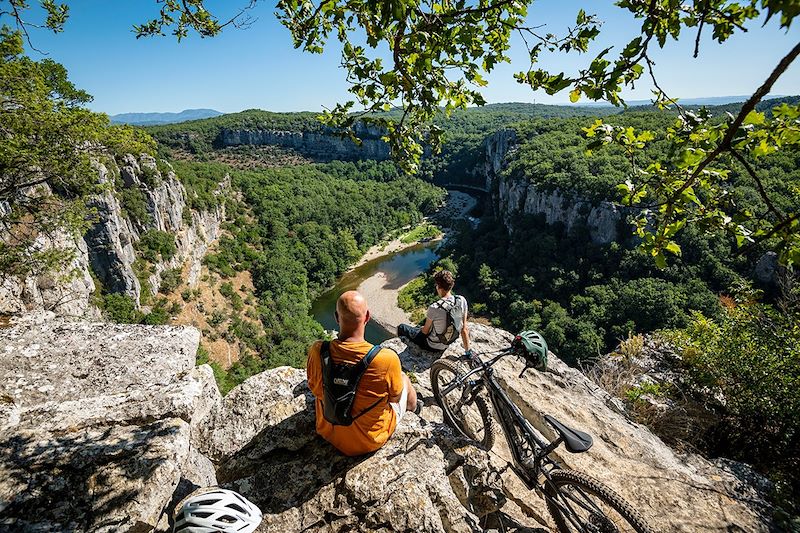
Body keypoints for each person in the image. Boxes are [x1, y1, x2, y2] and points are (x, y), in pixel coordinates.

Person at [306, 290, 418, 456]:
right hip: (369, 441)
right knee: (403, 379)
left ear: (337, 317)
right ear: (367, 317)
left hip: (329, 432)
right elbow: (394, 398)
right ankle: (415, 412)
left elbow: (314, 388)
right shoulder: (386, 359)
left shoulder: (318, 350)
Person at [397, 270, 471, 355]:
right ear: (451, 285)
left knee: (402, 327)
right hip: (449, 341)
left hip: (432, 346)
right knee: (422, 325)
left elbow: (425, 332)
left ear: (438, 287)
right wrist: (468, 352)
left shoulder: (435, 307)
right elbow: (464, 329)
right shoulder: (461, 300)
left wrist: (421, 329)